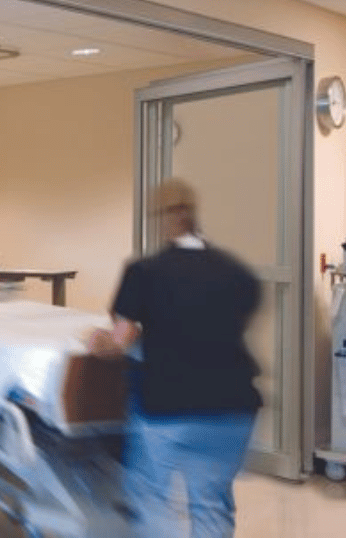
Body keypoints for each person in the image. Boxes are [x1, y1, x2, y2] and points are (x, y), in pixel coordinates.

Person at [86, 178, 262, 538]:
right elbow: (223, 326)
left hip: (170, 407)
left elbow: (119, 341)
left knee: (150, 498)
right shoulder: (238, 272)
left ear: (163, 219)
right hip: (234, 410)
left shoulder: (144, 271)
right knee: (210, 503)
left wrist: (97, 340)